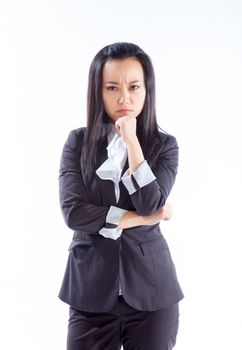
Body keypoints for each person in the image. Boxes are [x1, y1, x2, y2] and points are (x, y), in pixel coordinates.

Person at [58, 42, 184, 350]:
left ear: (146, 90)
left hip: (152, 295)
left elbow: (150, 202)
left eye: (133, 87)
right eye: (112, 87)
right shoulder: (77, 143)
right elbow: (74, 213)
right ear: (98, 91)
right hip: (90, 292)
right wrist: (140, 220)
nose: (123, 98)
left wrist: (132, 141)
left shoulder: (165, 146)